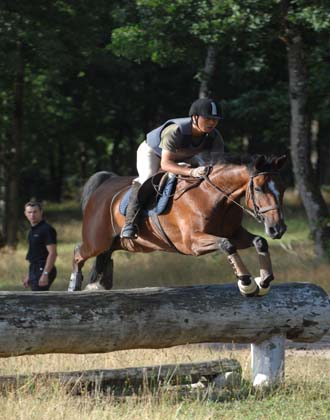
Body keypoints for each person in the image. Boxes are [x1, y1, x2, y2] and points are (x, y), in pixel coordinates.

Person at [121, 97, 225, 239]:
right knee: (148, 177)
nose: (212, 123)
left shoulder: (215, 137)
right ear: (194, 117)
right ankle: (129, 223)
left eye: (215, 119)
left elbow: (217, 165)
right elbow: (166, 164)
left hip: (182, 156)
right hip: (154, 153)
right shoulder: (175, 130)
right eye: (208, 118)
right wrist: (191, 171)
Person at [23, 201, 57, 291]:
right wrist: (29, 275)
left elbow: (52, 253)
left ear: (41, 212)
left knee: (39, 301)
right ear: (25, 214)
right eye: (29, 212)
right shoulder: (32, 231)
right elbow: (34, 255)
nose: (32, 215)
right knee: (36, 300)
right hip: (34, 268)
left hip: (43, 269)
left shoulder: (47, 229)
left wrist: (45, 274)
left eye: (35, 212)